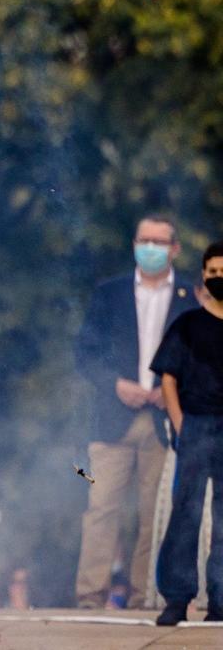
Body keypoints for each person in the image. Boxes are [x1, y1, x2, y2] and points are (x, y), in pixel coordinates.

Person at [75, 215, 194, 609]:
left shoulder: (191, 296)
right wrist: (115, 383)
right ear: (134, 244)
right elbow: (85, 352)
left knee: (154, 515)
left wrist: (173, 387)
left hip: (165, 421)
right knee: (100, 507)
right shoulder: (109, 292)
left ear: (174, 248)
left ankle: (147, 597)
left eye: (159, 241)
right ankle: (90, 597)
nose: (151, 248)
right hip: (113, 418)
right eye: (144, 239)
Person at [151, 241, 223, 626]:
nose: (219, 279)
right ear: (204, 275)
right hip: (195, 424)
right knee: (186, 513)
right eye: (213, 272)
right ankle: (177, 599)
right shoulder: (188, 325)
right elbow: (168, 378)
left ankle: (222, 602)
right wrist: (181, 424)